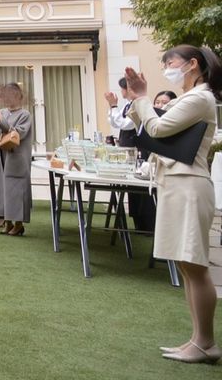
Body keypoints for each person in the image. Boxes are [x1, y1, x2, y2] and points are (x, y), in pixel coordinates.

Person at [125, 47, 222, 364]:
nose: (166, 67)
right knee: (186, 265)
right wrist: (139, 100)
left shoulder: (200, 98)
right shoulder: (188, 99)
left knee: (195, 266)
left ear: (193, 64)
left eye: (170, 62)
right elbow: (147, 128)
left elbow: (158, 129)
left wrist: (143, 98)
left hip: (189, 184)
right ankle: (198, 339)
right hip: (177, 182)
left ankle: (206, 342)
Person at [0, 82, 33, 236]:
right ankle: (7, 222)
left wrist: (1, 120)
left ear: (18, 96)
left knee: (16, 190)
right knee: (2, 189)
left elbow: (17, 134)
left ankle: (18, 224)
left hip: (16, 157)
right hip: (0, 156)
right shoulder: (2, 112)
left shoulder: (25, 115)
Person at [106, 76, 137, 147]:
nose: (121, 91)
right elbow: (115, 123)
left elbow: (126, 125)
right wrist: (112, 106)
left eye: (122, 88)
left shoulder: (137, 105)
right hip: (125, 145)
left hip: (134, 146)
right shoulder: (127, 104)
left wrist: (114, 106)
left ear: (128, 89)